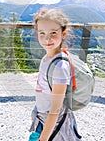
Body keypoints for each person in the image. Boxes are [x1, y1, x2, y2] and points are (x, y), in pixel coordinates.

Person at [29, 8, 82, 141]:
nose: (47, 39)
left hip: (56, 125)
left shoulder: (60, 66)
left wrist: (43, 138)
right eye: (42, 33)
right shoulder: (47, 58)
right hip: (43, 119)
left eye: (53, 33)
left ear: (63, 33)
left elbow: (55, 110)